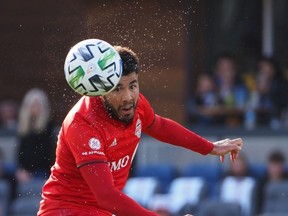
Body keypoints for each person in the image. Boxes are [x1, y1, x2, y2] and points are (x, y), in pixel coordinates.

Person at [38, 46, 243, 216]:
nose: (128, 96)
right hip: (64, 211)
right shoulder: (82, 125)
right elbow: (107, 196)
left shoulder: (135, 104)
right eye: (117, 88)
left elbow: (159, 126)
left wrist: (209, 147)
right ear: (100, 90)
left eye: (133, 85)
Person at [16, 88, 56, 183]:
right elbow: (20, 151)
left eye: (37, 105)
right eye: (32, 105)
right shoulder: (25, 127)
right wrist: (21, 169)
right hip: (25, 170)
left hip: (40, 170)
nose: (34, 108)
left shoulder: (48, 127)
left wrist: (28, 171)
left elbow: (46, 154)